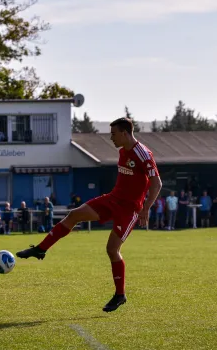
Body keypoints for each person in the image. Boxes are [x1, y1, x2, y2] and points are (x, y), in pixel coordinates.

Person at [16, 117, 162, 312]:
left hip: (129, 210)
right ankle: (40, 249)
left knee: (112, 250)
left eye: (113, 134)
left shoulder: (143, 154)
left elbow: (157, 183)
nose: (111, 138)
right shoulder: (122, 152)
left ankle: (120, 295)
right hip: (112, 199)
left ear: (125, 133)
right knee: (74, 215)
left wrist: (145, 208)